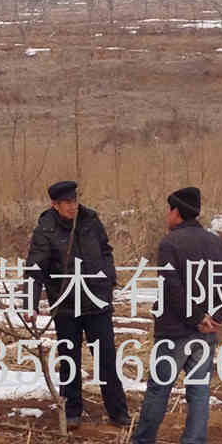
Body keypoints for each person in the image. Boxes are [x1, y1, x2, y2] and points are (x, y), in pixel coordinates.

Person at [115, 186, 222, 444]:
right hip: (206, 333)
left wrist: (196, 317)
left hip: (175, 330)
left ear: (176, 212)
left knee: (159, 390)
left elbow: (172, 288)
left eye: (168, 210)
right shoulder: (217, 243)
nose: (166, 215)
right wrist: (214, 317)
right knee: (199, 392)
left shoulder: (170, 244)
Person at [26, 181, 130, 429]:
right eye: (66, 202)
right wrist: (30, 303)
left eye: (74, 200)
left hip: (97, 303)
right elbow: (34, 270)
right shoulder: (45, 230)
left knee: (106, 359)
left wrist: (108, 279)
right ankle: (72, 412)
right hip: (66, 306)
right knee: (69, 360)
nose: (72, 206)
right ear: (55, 204)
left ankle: (118, 412)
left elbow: (106, 251)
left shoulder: (91, 221)